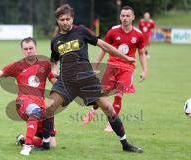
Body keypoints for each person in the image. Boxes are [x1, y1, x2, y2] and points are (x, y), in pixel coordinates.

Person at [44, 4, 143, 153]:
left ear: (72, 18)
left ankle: (126, 144)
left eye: (68, 19)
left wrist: (125, 57)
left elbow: (105, 46)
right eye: (62, 19)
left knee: (108, 108)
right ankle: (45, 144)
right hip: (66, 81)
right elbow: (53, 60)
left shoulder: (81, 31)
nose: (65, 22)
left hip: (87, 80)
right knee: (48, 107)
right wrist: (54, 69)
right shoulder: (55, 40)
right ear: (57, 21)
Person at [0, 37, 57, 156]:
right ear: (22, 51)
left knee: (51, 144)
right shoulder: (17, 66)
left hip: (40, 106)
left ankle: (22, 140)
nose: (28, 51)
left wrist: (66, 82)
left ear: (36, 48)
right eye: (25, 49)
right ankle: (27, 147)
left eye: (31, 48)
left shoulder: (45, 64)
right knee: (35, 111)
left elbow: (54, 80)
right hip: (23, 102)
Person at [83, 5, 147, 133]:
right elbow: (104, 49)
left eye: (128, 16)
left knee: (119, 95)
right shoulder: (113, 31)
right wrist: (95, 65)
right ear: (120, 17)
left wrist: (144, 70)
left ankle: (110, 123)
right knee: (102, 95)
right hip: (111, 67)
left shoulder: (139, 35)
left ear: (133, 17)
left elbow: (141, 53)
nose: (125, 18)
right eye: (123, 16)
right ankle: (93, 110)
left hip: (127, 69)